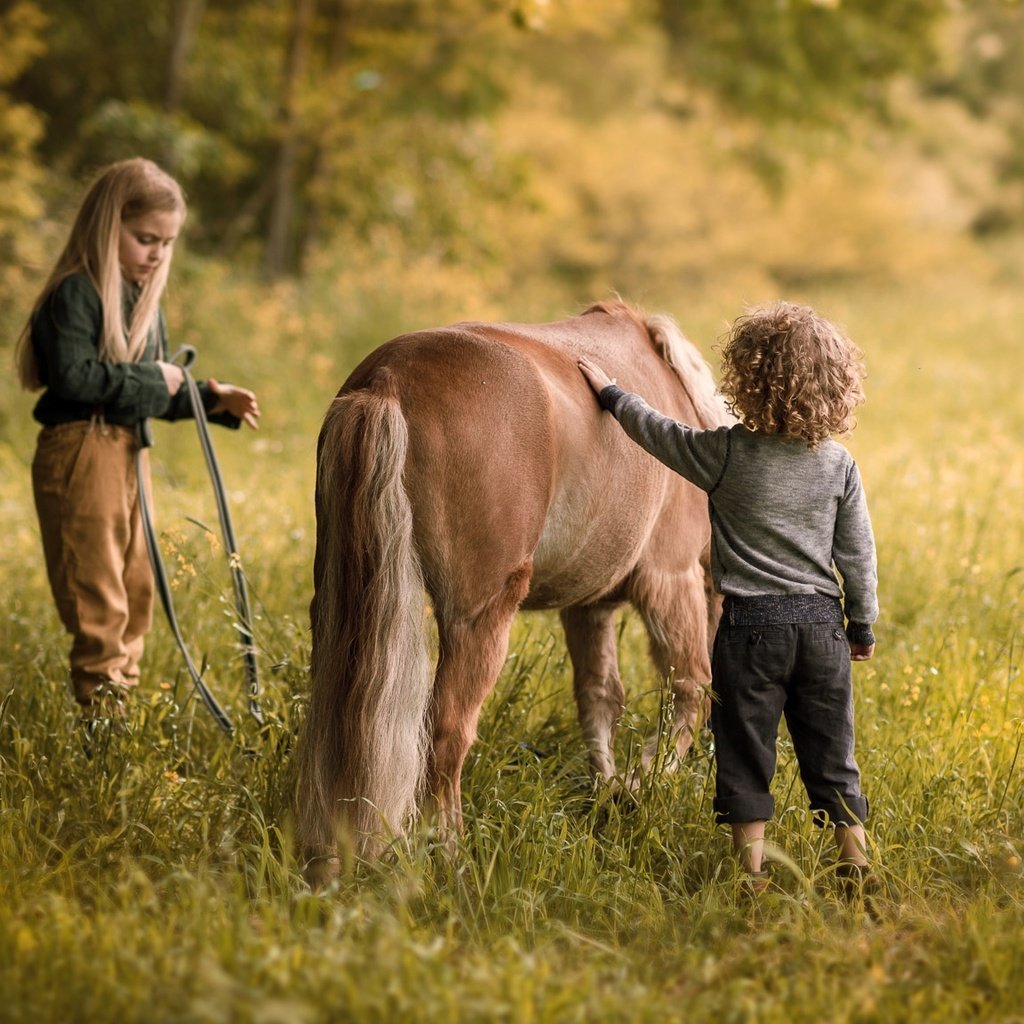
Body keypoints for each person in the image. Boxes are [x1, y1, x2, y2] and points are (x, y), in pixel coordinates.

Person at [578, 300, 878, 895]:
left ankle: (753, 874)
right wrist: (861, 625)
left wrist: (611, 393)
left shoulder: (726, 453)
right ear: (837, 385)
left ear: (745, 379)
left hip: (748, 630)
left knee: (744, 750)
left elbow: (658, 433)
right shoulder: (840, 464)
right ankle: (855, 861)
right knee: (831, 749)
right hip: (822, 630)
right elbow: (858, 556)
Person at [14, 157, 260, 721]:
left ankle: (121, 710)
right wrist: (156, 379)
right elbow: (75, 378)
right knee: (97, 588)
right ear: (108, 227)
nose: (156, 254)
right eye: (145, 238)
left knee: (137, 583)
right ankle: (102, 717)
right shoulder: (75, 293)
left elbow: (148, 390)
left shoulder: (142, 299)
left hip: (127, 450)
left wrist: (205, 399)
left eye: (167, 243)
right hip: (81, 448)